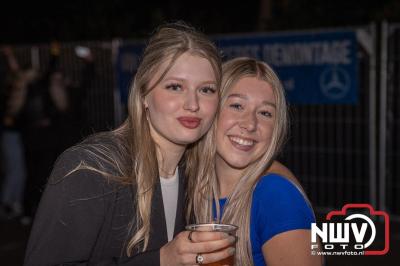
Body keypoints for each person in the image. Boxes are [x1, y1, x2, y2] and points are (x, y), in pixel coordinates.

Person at [24, 22, 235, 266]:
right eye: (175, 86)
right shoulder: (91, 168)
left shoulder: (193, 177)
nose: (193, 104)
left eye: (206, 90)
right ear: (144, 94)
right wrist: (161, 261)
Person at [189, 57, 323, 265]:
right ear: (210, 110)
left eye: (265, 113)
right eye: (237, 105)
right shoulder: (190, 188)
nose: (250, 124)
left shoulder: (276, 196)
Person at [0, 46, 34, 219]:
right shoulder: (12, 90)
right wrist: (10, 55)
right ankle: (7, 204)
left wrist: (10, 55)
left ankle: (13, 203)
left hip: (17, 135)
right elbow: (17, 72)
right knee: (16, 171)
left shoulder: (22, 90)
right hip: (10, 135)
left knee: (19, 171)